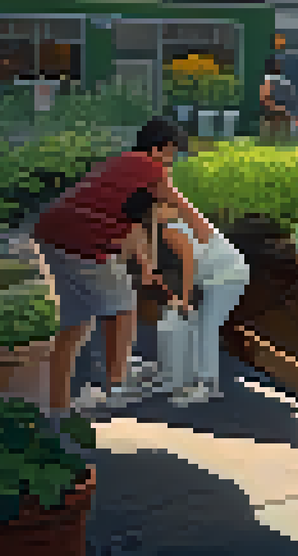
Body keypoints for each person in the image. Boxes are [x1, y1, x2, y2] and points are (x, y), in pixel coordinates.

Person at [32, 117, 206, 416]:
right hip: (80, 243)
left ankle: (58, 406)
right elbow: (177, 201)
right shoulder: (148, 166)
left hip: (53, 235)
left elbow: (131, 225)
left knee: (76, 322)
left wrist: (146, 263)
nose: (172, 162)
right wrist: (205, 233)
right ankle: (116, 384)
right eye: (172, 153)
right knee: (124, 306)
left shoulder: (121, 168)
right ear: (161, 147)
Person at [156, 197, 250, 406]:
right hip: (224, 276)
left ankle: (206, 385)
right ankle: (194, 381)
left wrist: (186, 298)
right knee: (202, 327)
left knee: (206, 328)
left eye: (160, 208)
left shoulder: (171, 229)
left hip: (225, 277)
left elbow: (189, 263)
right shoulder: (183, 224)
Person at [260, 57, 297, 143]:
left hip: (279, 109)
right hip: (274, 110)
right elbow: (265, 99)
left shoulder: (281, 81)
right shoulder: (269, 81)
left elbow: (290, 97)